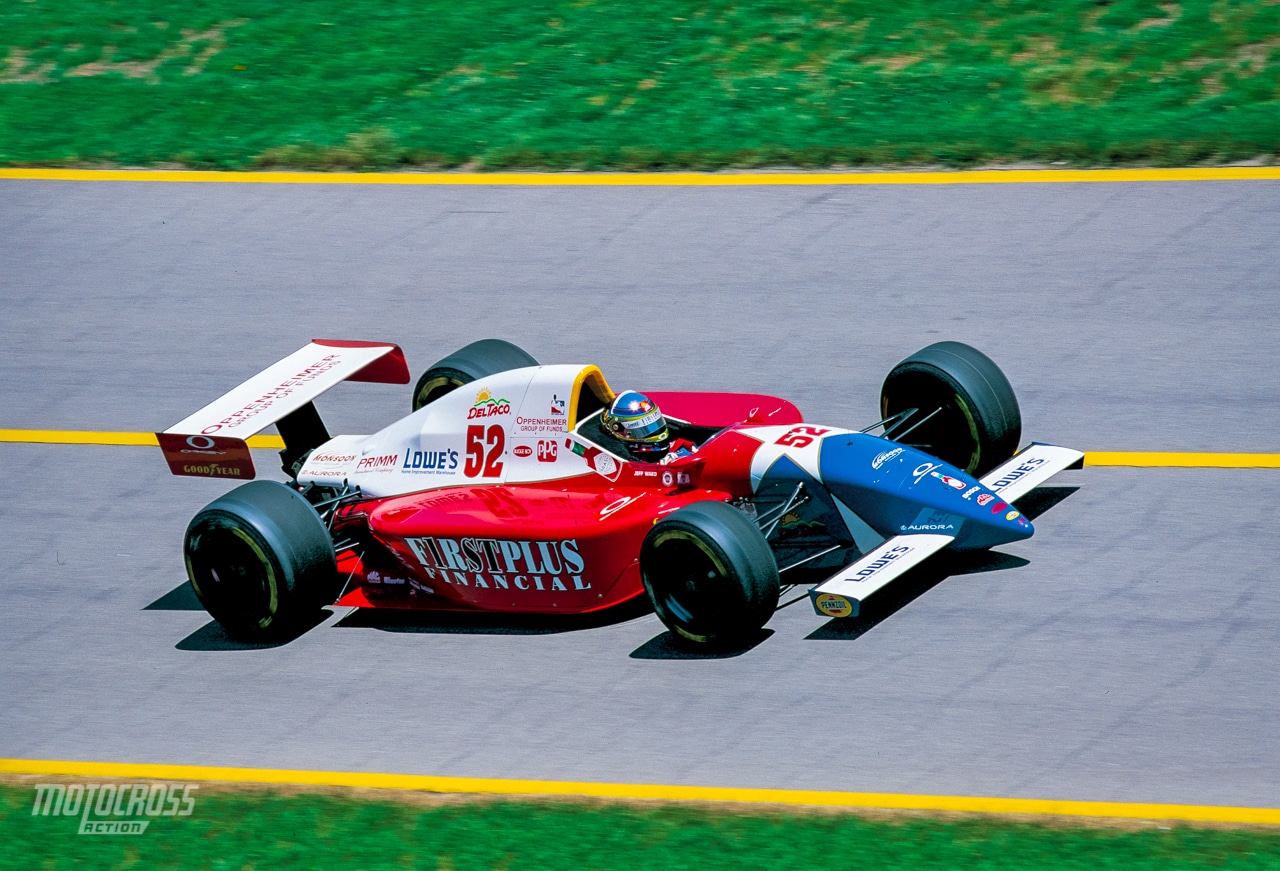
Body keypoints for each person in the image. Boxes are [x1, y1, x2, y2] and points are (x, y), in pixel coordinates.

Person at [601, 390, 695, 463]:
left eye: (655, 424)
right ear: (618, 429)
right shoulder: (630, 460)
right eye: (643, 430)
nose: (656, 432)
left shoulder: (682, 446)